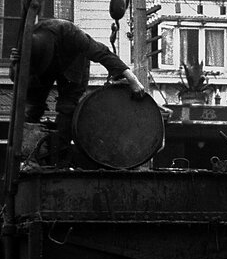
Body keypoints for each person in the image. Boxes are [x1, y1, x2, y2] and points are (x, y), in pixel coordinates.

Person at [12, 17, 145, 167]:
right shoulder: (31, 41)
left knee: (67, 108)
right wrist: (16, 64)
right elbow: (16, 79)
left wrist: (132, 79)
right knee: (31, 108)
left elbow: (102, 52)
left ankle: (58, 157)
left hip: (73, 64)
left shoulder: (70, 33)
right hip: (42, 68)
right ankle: (31, 157)